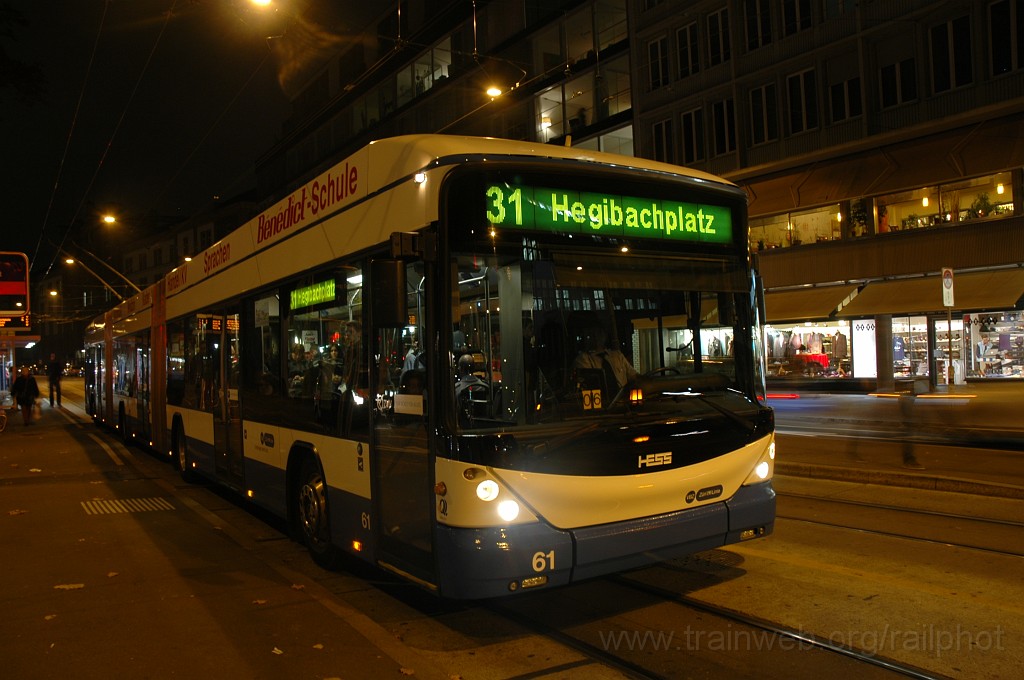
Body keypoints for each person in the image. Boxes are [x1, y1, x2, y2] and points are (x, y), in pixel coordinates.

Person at [574, 322, 637, 393]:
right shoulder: (583, 359)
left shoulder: (617, 356)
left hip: (623, 400)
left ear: (605, 335)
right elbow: (587, 385)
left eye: (599, 332)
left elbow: (634, 377)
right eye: (593, 333)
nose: (596, 336)